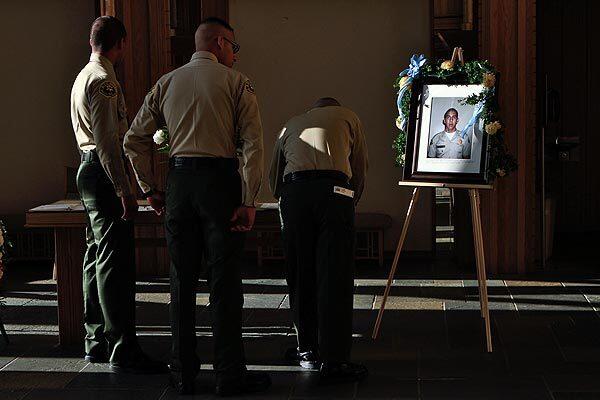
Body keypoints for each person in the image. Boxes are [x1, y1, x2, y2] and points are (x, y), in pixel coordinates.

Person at [123, 17, 270, 396]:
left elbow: (133, 140)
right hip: (218, 184)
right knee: (224, 281)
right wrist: (249, 199)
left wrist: (149, 188)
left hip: (178, 183)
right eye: (233, 48)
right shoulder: (237, 82)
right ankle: (228, 373)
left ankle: (183, 373)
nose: (235, 56)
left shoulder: (166, 82)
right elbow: (254, 144)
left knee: (180, 281)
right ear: (219, 44)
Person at [70, 16, 166, 373]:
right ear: (121, 43)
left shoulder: (82, 75)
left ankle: (95, 340)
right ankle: (123, 346)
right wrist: (126, 190)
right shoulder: (105, 81)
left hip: (86, 167)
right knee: (116, 263)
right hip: (103, 169)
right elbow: (111, 141)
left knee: (95, 256)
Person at [269, 97, 369, 383]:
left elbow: (275, 175)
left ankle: (307, 350)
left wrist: (287, 199)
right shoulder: (349, 115)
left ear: (313, 109)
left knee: (300, 273)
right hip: (335, 192)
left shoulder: (291, 123)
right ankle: (335, 360)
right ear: (335, 107)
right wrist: (352, 200)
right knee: (334, 274)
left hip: (294, 192)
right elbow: (359, 164)